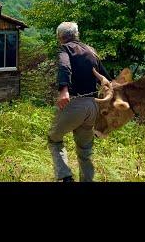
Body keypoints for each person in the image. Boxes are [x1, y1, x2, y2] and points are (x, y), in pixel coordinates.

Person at [48, 21, 112, 182]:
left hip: (75, 104)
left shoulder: (65, 49)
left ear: (60, 37)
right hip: (92, 106)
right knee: (85, 148)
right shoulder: (91, 51)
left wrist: (63, 90)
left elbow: (64, 67)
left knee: (54, 138)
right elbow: (106, 79)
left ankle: (65, 177)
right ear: (77, 35)